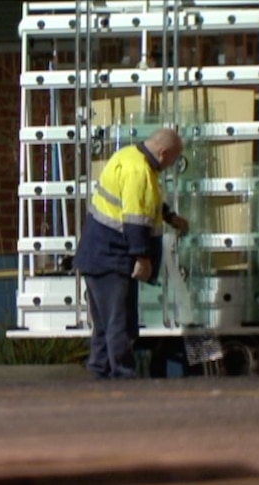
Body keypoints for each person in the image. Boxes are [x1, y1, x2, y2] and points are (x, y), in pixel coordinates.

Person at [73, 128, 189, 380]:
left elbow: (146, 202)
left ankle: (99, 372)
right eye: (173, 159)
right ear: (163, 152)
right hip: (112, 258)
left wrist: (170, 217)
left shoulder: (128, 156)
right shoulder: (139, 172)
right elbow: (135, 220)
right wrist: (142, 257)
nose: (172, 165)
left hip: (98, 255)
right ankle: (123, 376)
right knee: (120, 324)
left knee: (105, 324)